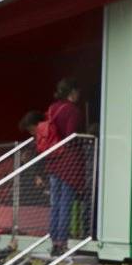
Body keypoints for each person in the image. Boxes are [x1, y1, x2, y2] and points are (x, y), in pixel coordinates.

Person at [41, 78, 87, 254]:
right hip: (68, 163)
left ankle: (54, 240)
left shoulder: (52, 109)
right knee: (66, 203)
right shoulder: (73, 111)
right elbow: (71, 135)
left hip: (53, 161)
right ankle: (62, 241)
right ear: (72, 92)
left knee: (55, 204)